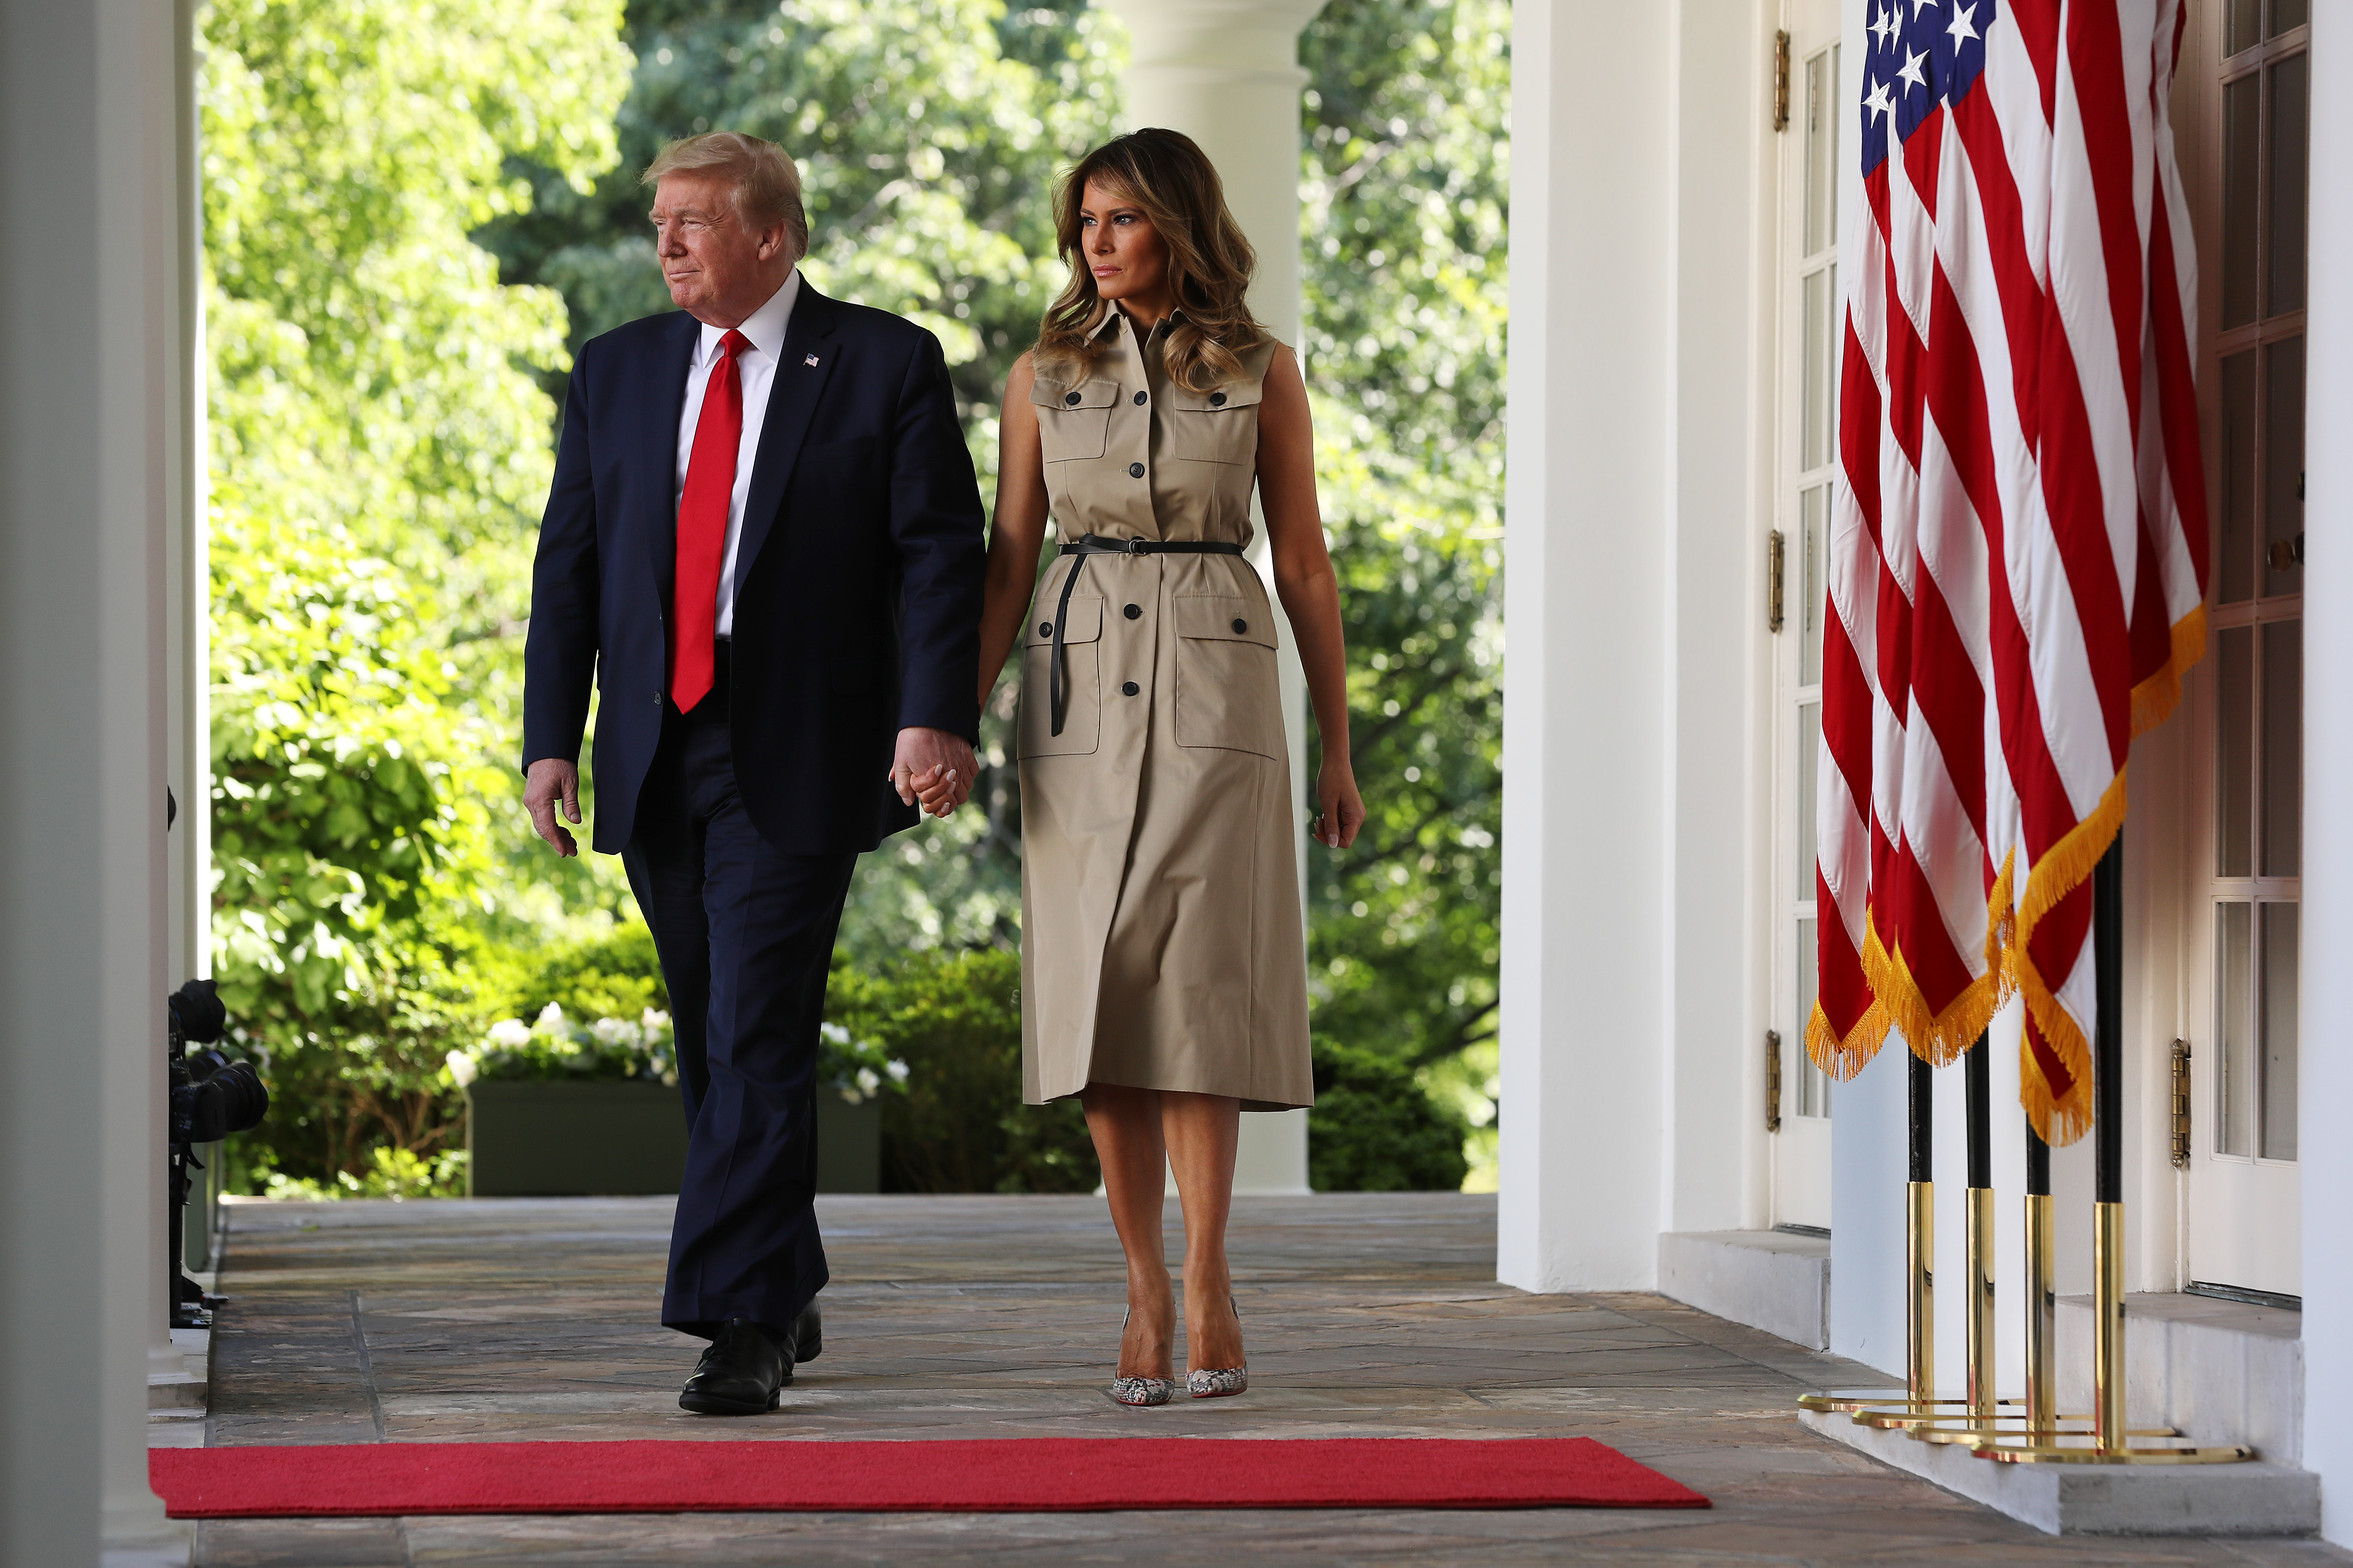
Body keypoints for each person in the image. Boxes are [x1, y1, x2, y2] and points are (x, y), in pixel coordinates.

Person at [521, 132, 985, 1416]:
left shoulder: (885, 363)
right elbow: (570, 568)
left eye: (694, 223)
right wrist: (550, 737)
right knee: (707, 1027)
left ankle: (742, 1322)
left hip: (806, 745)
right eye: (659, 222)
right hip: (658, 748)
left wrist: (933, 715)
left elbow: (940, 553)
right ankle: (782, 1265)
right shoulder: (614, 373)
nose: (665, 244)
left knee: (758, 1026)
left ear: (772, 236)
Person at [938, 128, 1365, 1405]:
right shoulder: (1040, 376)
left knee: (1194, 990)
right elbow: (1008, 561)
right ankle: (1139, 1281)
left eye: (1121, 219)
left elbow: (1304, 565)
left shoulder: (1264, 372)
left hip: (1216, 683)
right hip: (1074, 692)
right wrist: (952, 717)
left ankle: (1212, 1270)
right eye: (1085, 224)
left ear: (1177, 222)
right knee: (1100, 991)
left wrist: (1339, 743)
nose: (1098, 243)